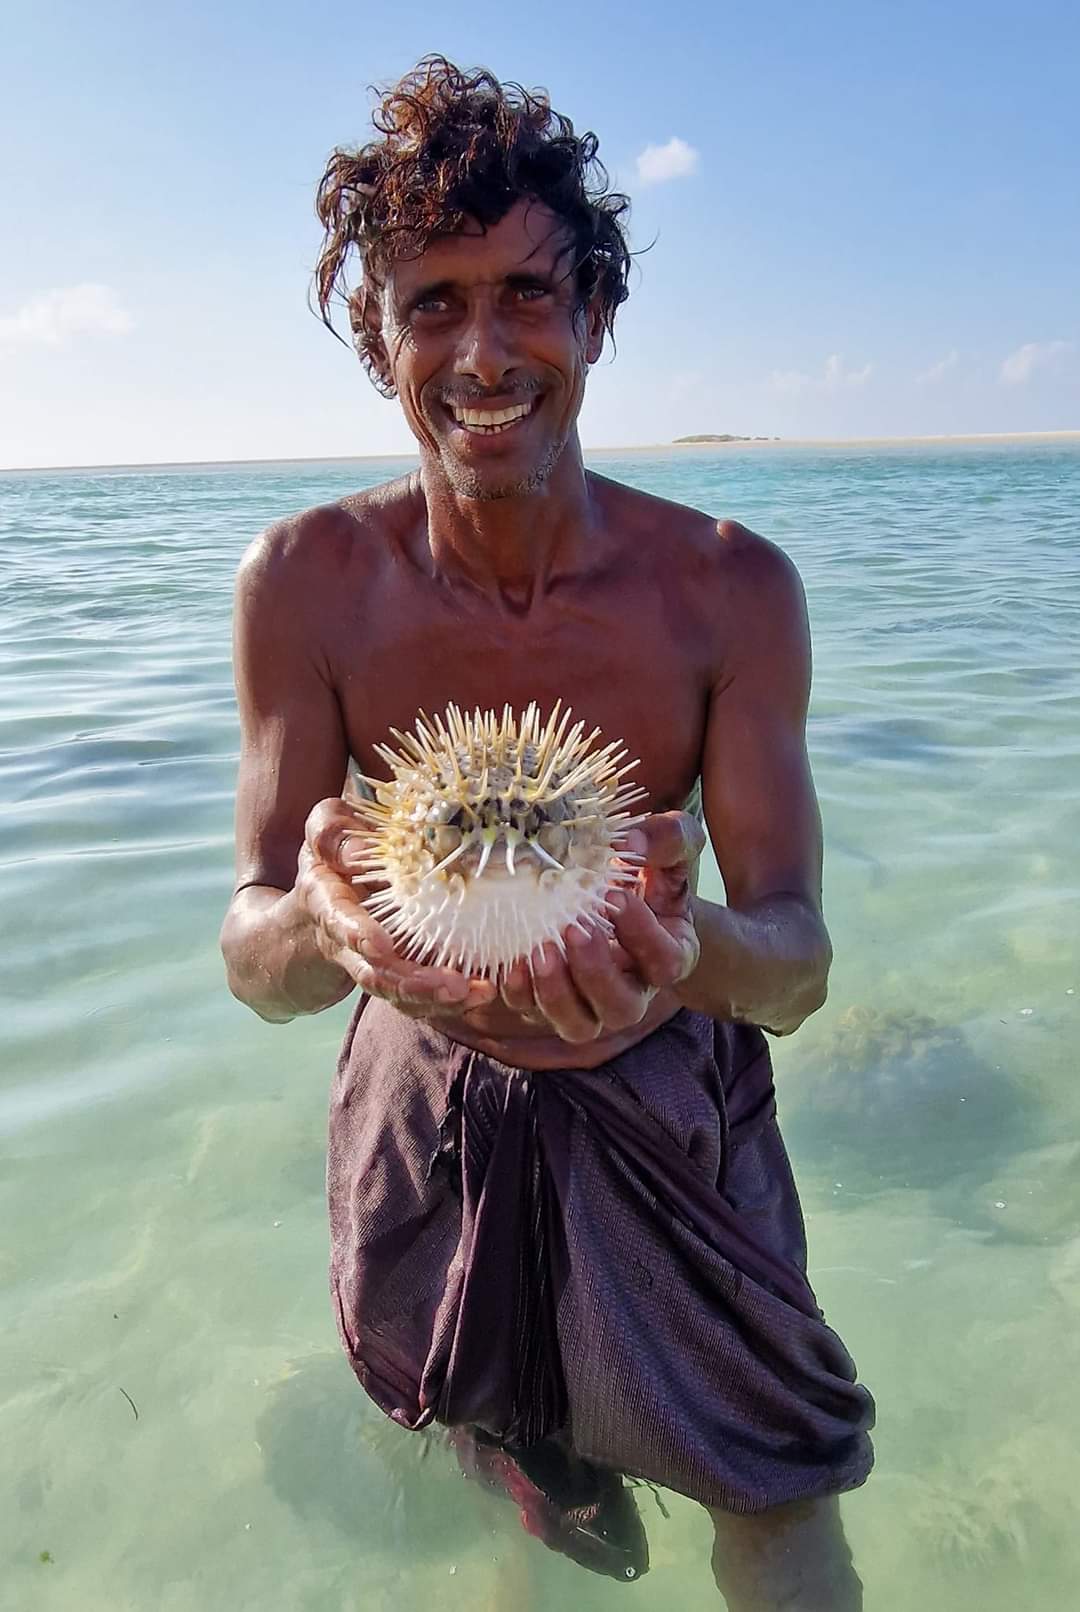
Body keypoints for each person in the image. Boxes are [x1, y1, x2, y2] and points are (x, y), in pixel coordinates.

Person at [220, 57, 874, 1609]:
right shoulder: (305, 585)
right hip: (423, 1092)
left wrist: (687, 954)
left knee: (776, 1487)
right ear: (378, 334)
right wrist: (319, 924)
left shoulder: (729, 591)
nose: (483, 350)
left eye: (526, 294)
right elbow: (255, 953)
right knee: (510, 1448)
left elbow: (795, 966)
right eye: (431, 303)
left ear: (593, 317)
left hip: (666, 1084)